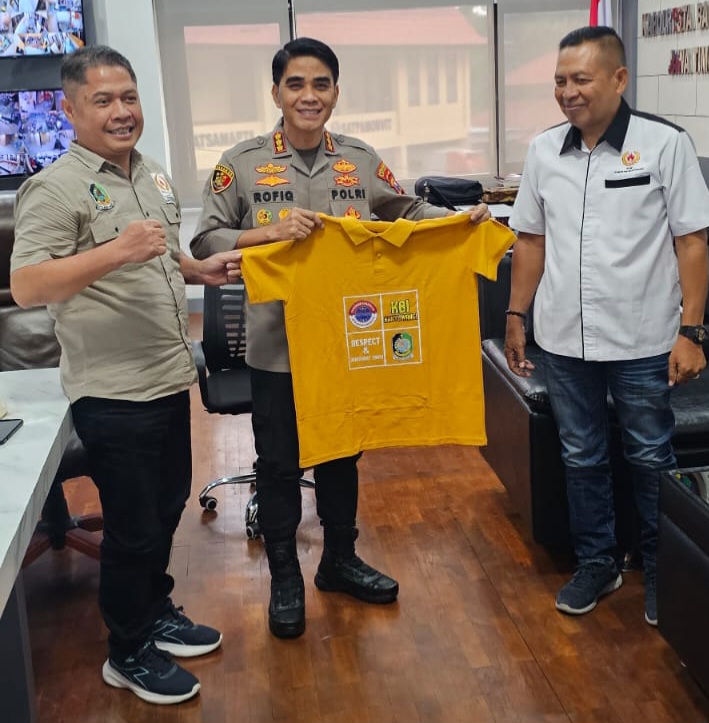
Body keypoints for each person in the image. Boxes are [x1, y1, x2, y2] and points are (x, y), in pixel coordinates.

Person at [191, 36, 491, 640]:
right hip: (277, 347)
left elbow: (403, 212)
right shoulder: (241, 164)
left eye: (321, 84)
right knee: (279, 464)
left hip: (348, 345)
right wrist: (267, 233)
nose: (309, 95)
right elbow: (205, 241)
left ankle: (339, 560)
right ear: (275, 92)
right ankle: (285, 576)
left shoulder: (359, 157)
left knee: (341, 453)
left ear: (335, 92)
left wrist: (458, 221)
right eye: (296, 84)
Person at [10, 45, 243, 705]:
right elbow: (28, 285)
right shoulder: (54, 187)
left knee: (165, 508)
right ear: (69, 110)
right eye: (103, 100)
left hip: (167, 375)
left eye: (129, 97)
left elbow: (158, 253)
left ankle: (154, 609)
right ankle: (128, 648)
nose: (121, 112)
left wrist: (196, 269)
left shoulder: (151, 173)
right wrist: (116, 250)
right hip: (112, 392)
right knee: (133, 525)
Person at [505, 25, 709, 626]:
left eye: (581, 79)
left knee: (650, 455)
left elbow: (692, 241)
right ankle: (597, 562)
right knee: (580, 455)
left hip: (643, 338)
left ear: (619, 79)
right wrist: (516, 315)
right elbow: (530, 240)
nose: (567, 92)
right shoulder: (544, 151)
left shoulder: (663, 144)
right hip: (563, 338)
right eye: (559, 81)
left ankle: (662, 571)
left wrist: (691, 332)